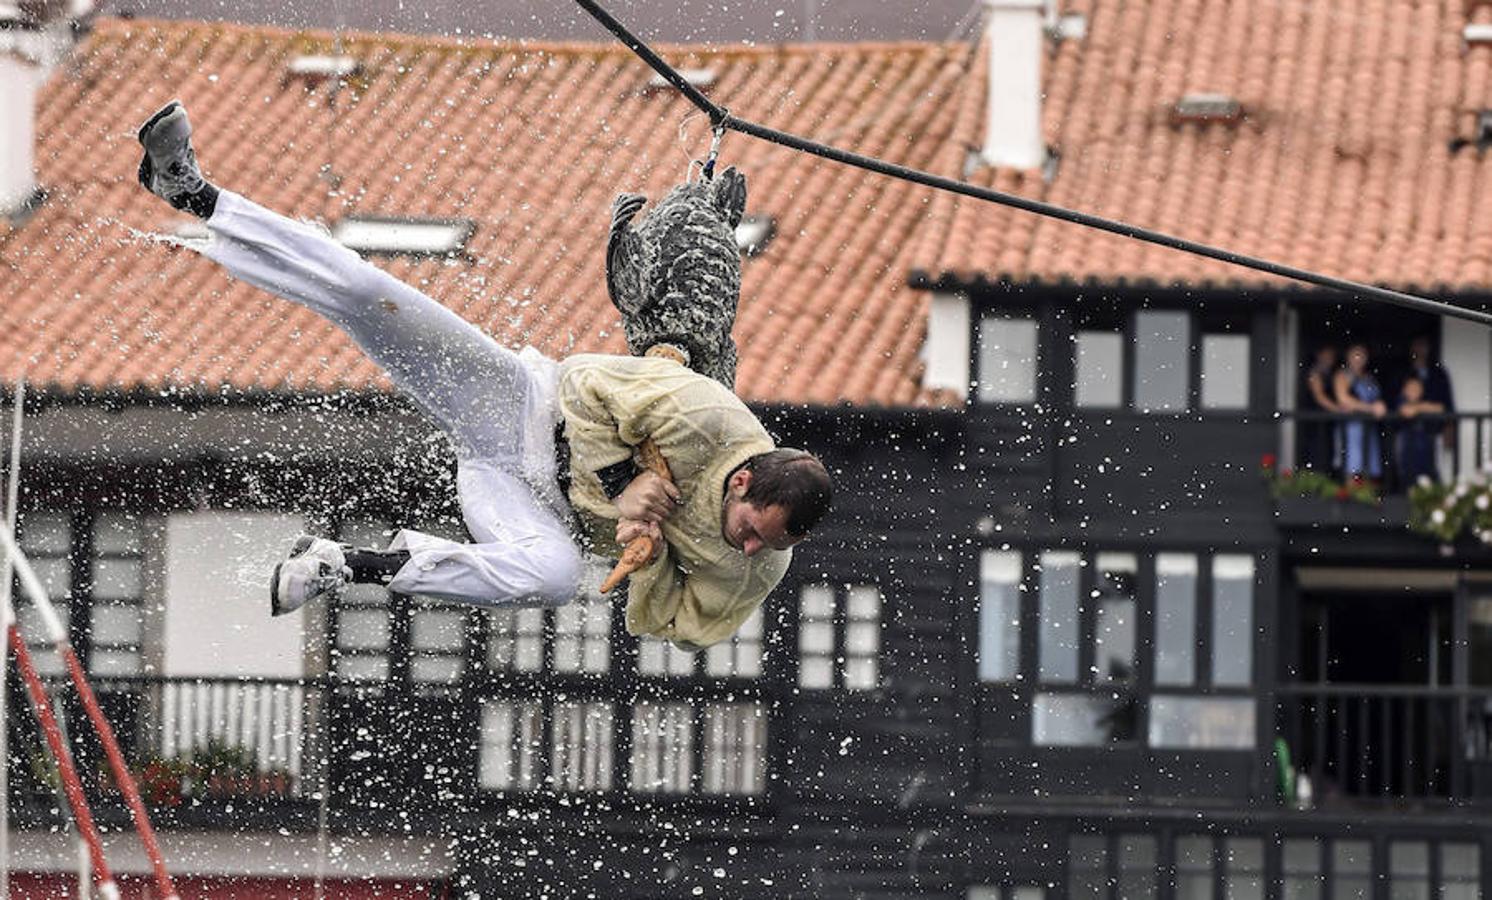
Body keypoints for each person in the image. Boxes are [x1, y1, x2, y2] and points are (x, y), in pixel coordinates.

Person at [135, 101, 833, 651]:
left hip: (535, 507)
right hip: (521, 411)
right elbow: (586, 381)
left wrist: (648, 553)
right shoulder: (706, 414)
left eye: (765, 544)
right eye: (751, 529)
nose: (747, 548)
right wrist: (625, 483)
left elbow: (671, 626)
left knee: (556, 578)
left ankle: (345, 564)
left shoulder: (758, 565)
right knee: (366, 295)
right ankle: (195, 193)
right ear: (743, 479)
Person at [1333, 343, 1386, 481]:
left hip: (1369, 428)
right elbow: (1343, 398)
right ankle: (1352, 499)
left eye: (1362, 355)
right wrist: (1370, 408)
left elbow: (1377, 398)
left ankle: (1368, 498)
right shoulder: (1342, 375)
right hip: (1352, 428)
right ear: (1348, 357)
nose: (1358, 358)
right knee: (1353, 467)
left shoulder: (1369, 378)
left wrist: (1379, 405)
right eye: (1355, 355)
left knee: (1370, 467)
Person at [1298, 345, 1340, 474]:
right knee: (1316, 451)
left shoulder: (1330, 374)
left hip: (1327, 421)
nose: (1329, 359)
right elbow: (1320, 397)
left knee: (1328, 451)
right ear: (1319, 355)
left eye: (1331, 357)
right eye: (1326, 356)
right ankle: (1315, 480)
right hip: (1315, 420)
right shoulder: (1314, 373)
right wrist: (1339, 410)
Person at [1395, 376, 1446, 483]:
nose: (1414, 391)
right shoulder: (1400, 401)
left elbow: (1440, 408)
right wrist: (1423, 408)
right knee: (1408, 479)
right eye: (1411, 389)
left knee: (1429, 479)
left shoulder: (1425, 401)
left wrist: (1419, 408)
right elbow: (1407, 411)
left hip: (1426, 452)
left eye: (1417, 388)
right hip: (1407, 453)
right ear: (1404, 390)